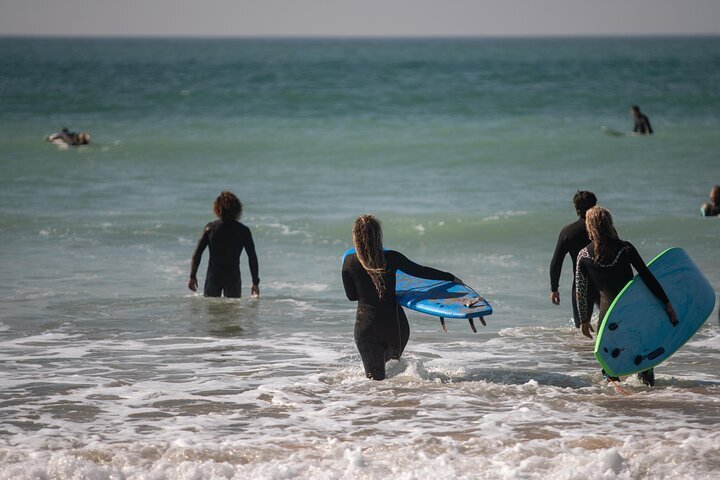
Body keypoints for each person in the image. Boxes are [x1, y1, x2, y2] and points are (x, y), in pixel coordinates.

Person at [341, 214, 462, 380]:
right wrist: (451, 277)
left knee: (374, 382)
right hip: (395, 327)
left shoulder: (348, 262)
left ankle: (374, 406)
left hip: (366, 327)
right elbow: (421, 271)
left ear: (355, 236)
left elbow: (352, 296)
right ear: (378, 235)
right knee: (392, 377)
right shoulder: (392, 258)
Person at [575, 206, 678, 386]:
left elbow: (581, 291)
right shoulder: (625, 248)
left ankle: (614, 408)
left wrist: (584, 320)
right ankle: (649, 400)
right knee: (644, 361)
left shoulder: (583, 255)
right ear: (609, 223)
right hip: (633, 314)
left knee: (611, 366)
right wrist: (666, 303)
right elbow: (647, 277)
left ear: (589, 227)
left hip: (607, 319)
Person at [189, 191, 259, 298]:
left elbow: (197, 254)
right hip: (233, 277)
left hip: (214, 276)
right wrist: (255, 282)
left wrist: (192, 276)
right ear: (237, 209)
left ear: (218, 209)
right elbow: (252, 257)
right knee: (232, 311)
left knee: (212, 309)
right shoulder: (243, 230)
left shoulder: (210, 228)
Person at [549, 191, 598, 328]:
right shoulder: (603, 229)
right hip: (604, 282)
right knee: (611, 322)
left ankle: (585, 349)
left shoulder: (568, 232)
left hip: (581, 284)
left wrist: (554, 288)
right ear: (595, 206)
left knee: (582, 327)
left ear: (576, 209)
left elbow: (556, 262)